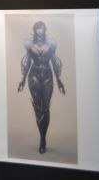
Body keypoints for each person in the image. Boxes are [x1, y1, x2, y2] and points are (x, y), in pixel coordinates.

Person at [17, 21, 65, 154]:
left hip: (47, 77)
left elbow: (54, 61)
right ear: (34, 30)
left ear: (45, 30)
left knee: (46, 108)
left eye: (42, 28)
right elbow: (27, 62)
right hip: (34, 77)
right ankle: (42, 139)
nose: (40, 30)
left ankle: (43, 138)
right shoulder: (29, 44)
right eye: (37, 28)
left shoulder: (51, 44)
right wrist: (22, 80)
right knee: (38, 109)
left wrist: (59, 80)